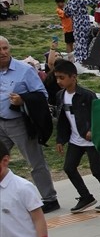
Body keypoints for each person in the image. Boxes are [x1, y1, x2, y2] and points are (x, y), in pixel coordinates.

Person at [0, 35, 59, 211]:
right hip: (0, 124)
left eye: (5, 48)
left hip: (19, 123)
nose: (3, 53)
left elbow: (42, 94)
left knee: (35, 161)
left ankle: (49, 199)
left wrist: (23, 100)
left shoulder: (24, 70)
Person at [52, 59, 100, 213]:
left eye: (62, 77)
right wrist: (61, 139)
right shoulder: (60, 95)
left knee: (97, 170)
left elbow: (99, 115)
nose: (59, 81)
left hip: (91, 140)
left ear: (73, 77)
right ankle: (86, 196)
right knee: (69, 168)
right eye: (57, 78)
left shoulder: (87, 95)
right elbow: (62, 120)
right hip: (75, 140)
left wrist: (93, 130)